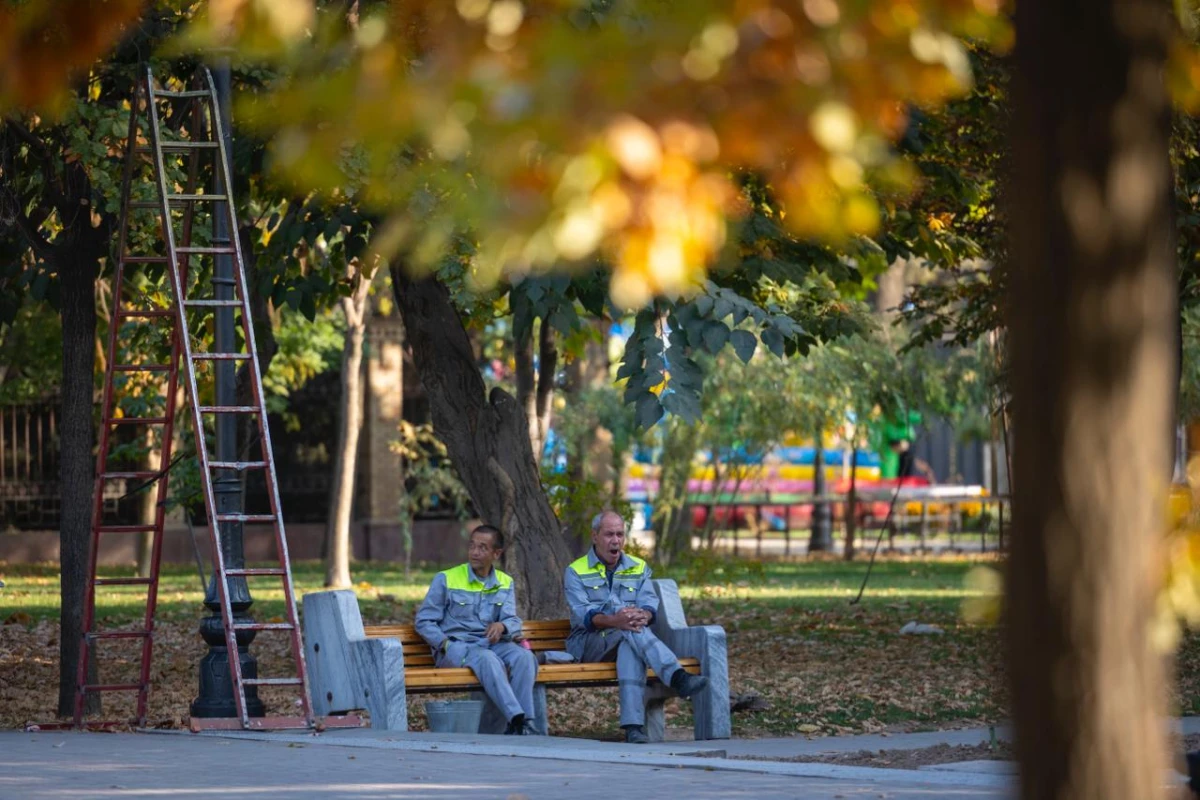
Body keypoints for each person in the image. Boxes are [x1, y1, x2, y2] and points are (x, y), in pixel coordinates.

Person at [563, 510, 709, 744]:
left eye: (620, 534)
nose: (616, 540)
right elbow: (584, 617)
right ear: (595, 536)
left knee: (629, 643)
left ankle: (633, 728)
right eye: (609, 534)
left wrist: (645, 614)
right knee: (629, 630)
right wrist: (616, 621)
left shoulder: (639, 567)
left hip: (627, 637)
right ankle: (677, 676)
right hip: (589, 644)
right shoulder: (575, 571)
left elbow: (649, 603)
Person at [415, 524, 538, 735]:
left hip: (491, 645)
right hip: (457, 649)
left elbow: (511, 618)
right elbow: (423, 621)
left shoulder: (505, 582)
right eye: (472, 545)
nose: (474, 552)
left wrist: (502, 626)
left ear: (496, 553)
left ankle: (523, 723)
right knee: (488, 659)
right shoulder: (446, 579)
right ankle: (517, 719)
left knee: (524, 658)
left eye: (482, 548)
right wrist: (445, 644)